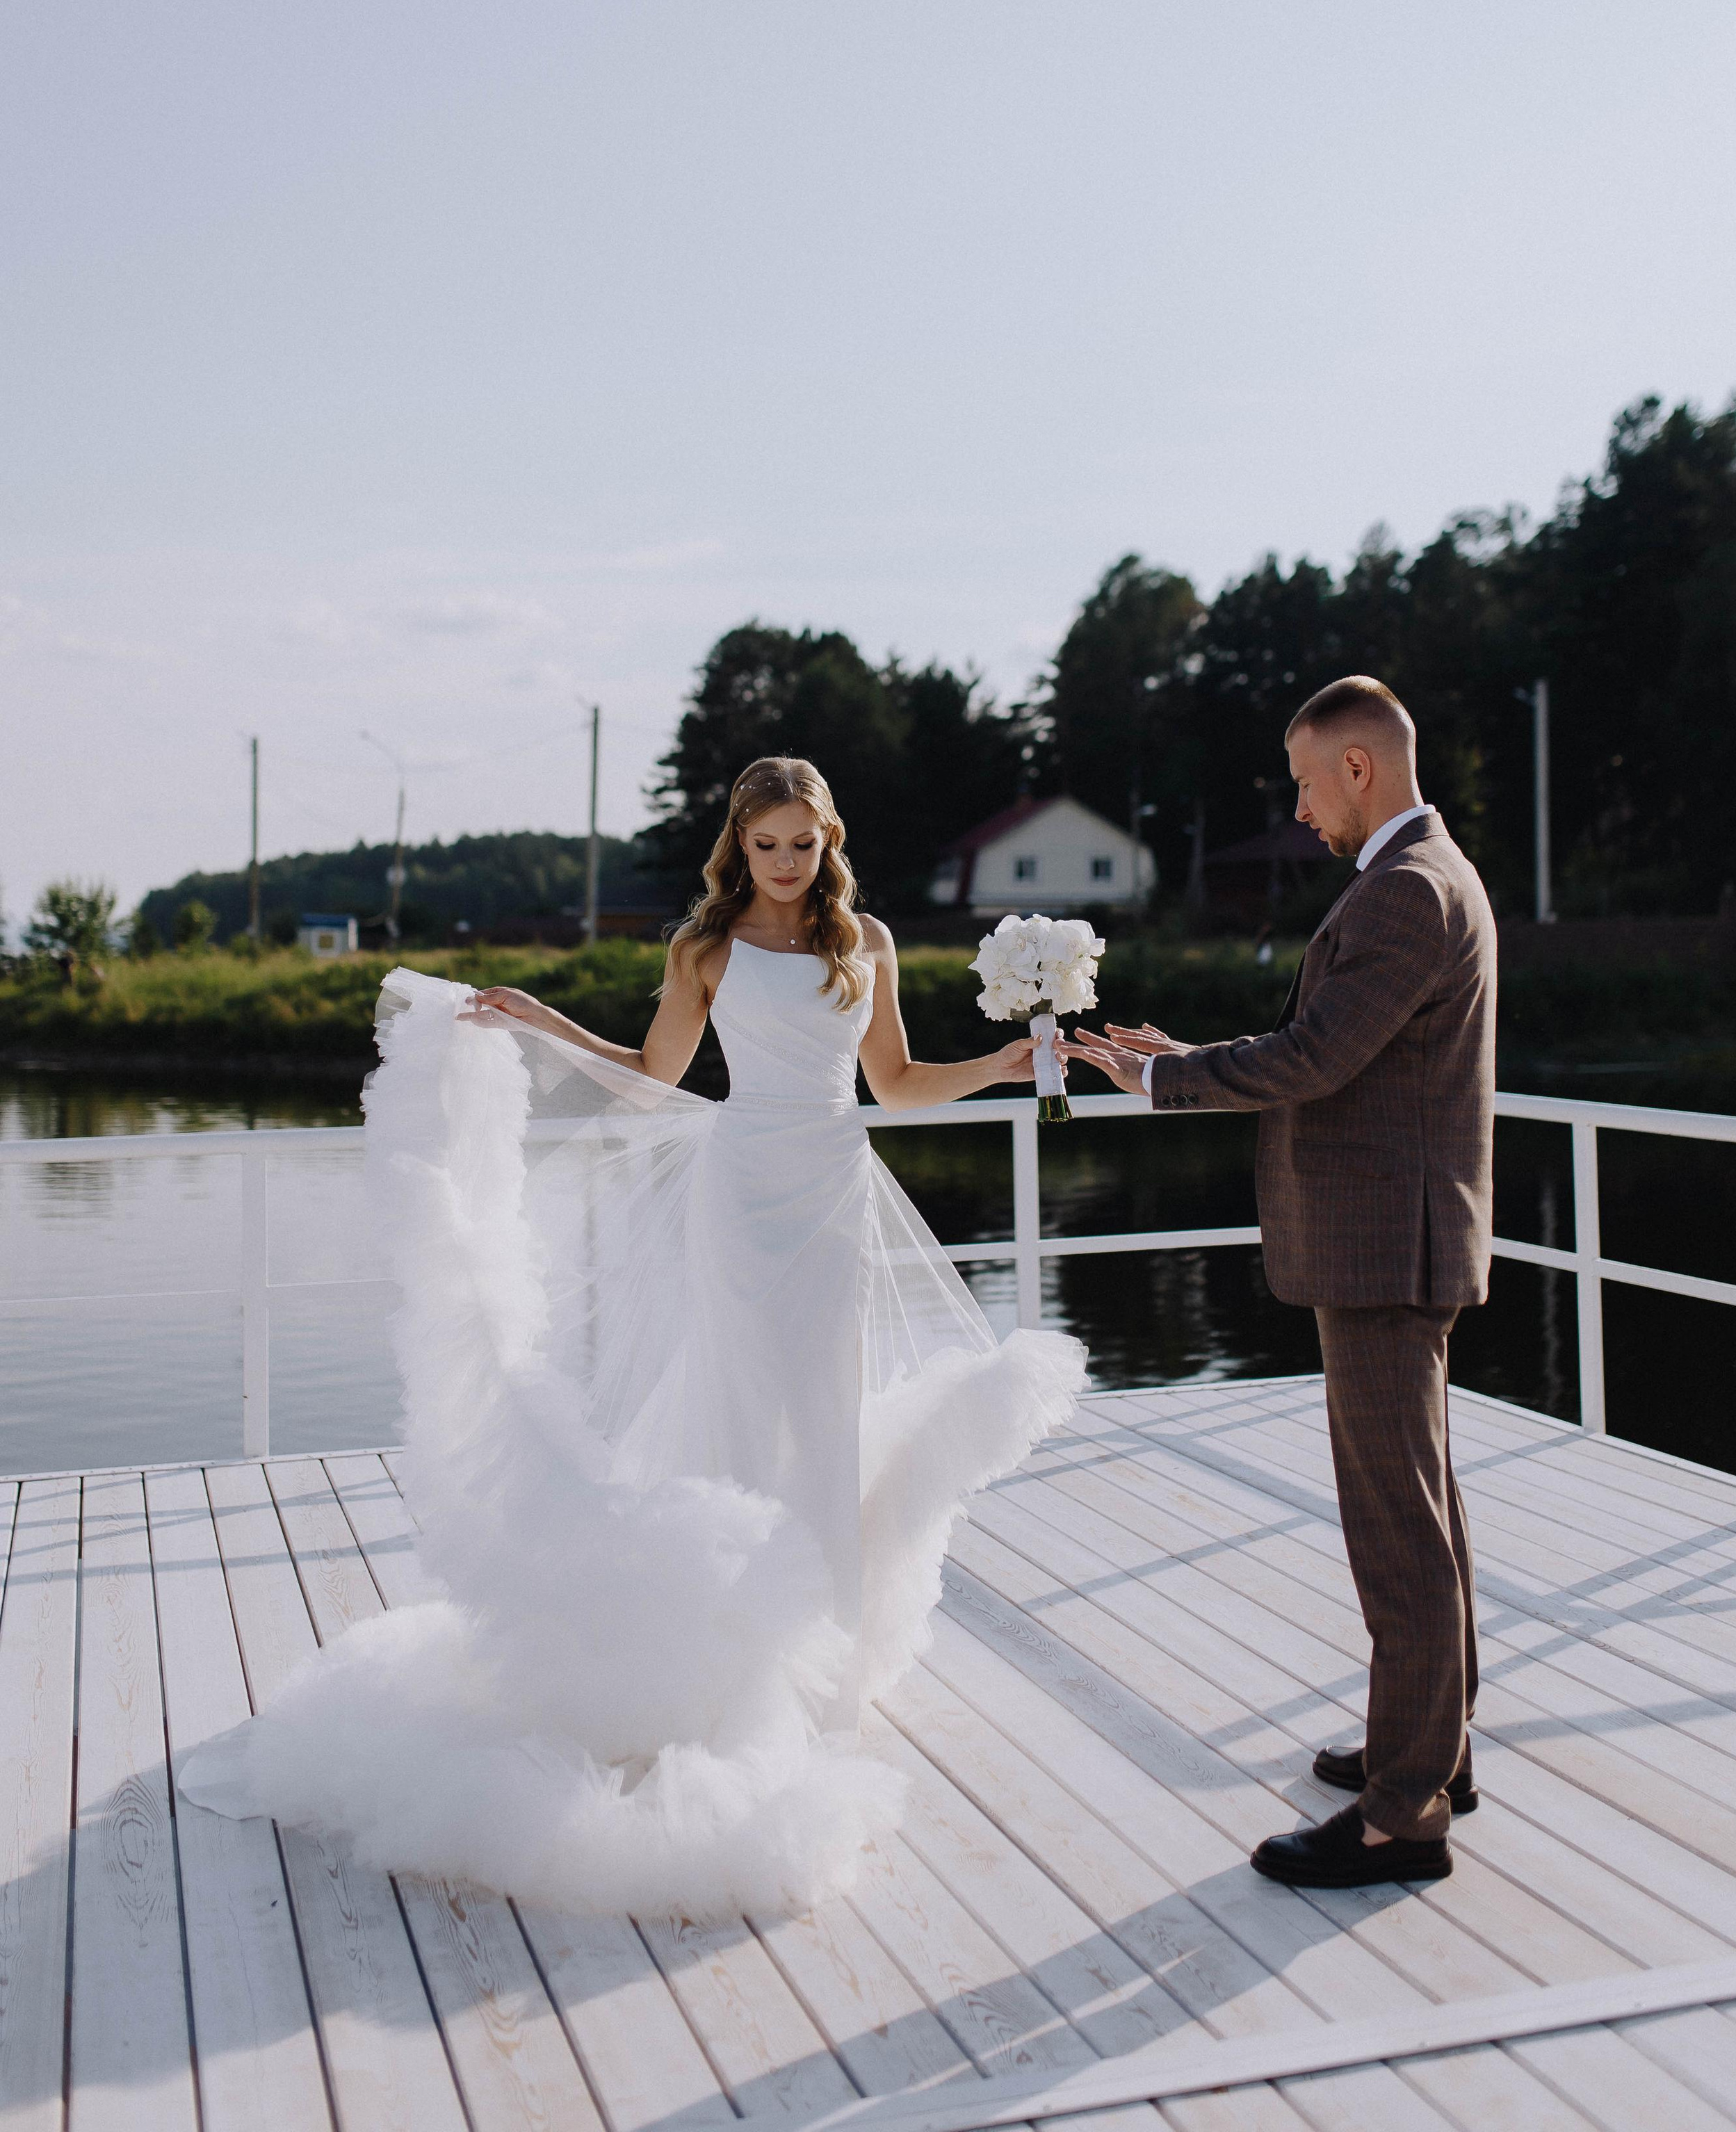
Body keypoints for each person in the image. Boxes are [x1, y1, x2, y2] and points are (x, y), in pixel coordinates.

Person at [177, 756, 1084, 1921]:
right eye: (767, 846)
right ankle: (725, 1659)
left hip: (831, 1199)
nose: (788, 864)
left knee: (823, 1416)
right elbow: (656, 1077)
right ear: (739, 848)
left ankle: (822, 1661)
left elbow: (896, 1085)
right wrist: (543, 1020)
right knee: (735, 1409)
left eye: (804, 843)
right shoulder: (702, 949)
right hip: (739, 1197)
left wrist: (1007, 1064)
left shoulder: (871, 944)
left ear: (829, 839)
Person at [1073, 677, 1493, 1889]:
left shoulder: (1409, 890)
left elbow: (1318, 1057)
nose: (1302, 810)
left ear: (1359, 767)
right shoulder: (1424, 879)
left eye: (1308, 783)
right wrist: (1188, 1056)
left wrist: (1162, 1085)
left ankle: (1402, 1817)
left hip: (1384, 1250)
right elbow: (1342, 1052)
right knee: (1423, 1506)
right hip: (1396, 1241)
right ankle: (1432, 1750)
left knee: (1397, 1525)